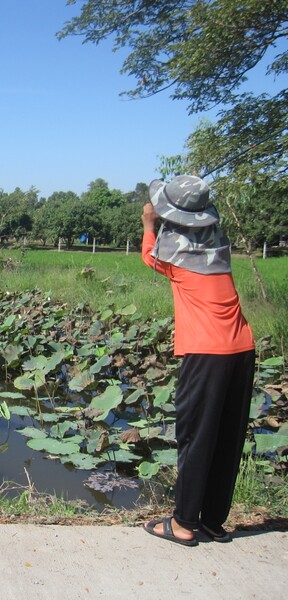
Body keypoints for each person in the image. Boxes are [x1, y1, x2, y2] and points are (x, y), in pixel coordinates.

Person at [140, 175, 256, 546]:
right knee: (227, 437)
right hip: (242, 349)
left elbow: (148, 254)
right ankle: (212, 522)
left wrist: (148, 223)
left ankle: (185, 523)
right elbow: (200, 223)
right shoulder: (219, 246)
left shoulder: (173, 256)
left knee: (195, 437)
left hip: (207, 354)